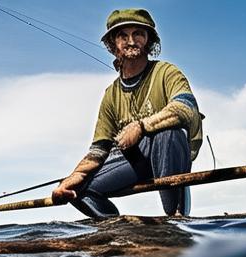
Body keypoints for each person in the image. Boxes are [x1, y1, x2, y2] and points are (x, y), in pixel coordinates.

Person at [52, 8, 202, 218]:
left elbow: (187, 108)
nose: (131, 41)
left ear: (148, 41)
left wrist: (141, 127)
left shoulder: (167, 72)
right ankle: (120, 231)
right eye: (123, 36)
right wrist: (74, 176)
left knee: (167, 133)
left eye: (138, 34)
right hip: (134, 160)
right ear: (113, 45)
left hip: (171, 152)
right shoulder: (111, 94)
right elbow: (99, 148)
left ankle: (175, 219)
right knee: (79, 191)